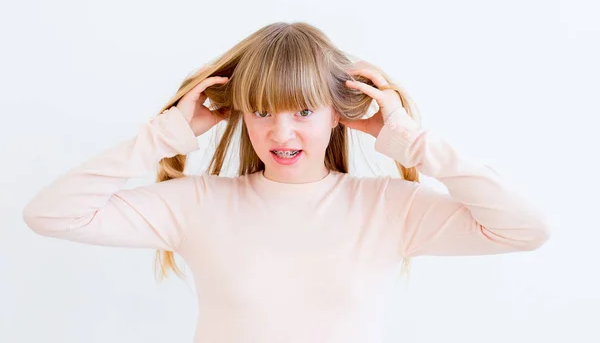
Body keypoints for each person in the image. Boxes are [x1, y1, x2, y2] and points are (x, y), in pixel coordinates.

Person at [22, 22, 550, 342]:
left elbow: (525, 229)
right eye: (262, 111)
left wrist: (413, 142)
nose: (281, 131)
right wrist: (165, 134)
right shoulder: (198, 204)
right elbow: (51, 215)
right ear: (240, 115)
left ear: (338, 114)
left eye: (302, 109)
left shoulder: (389, 208)